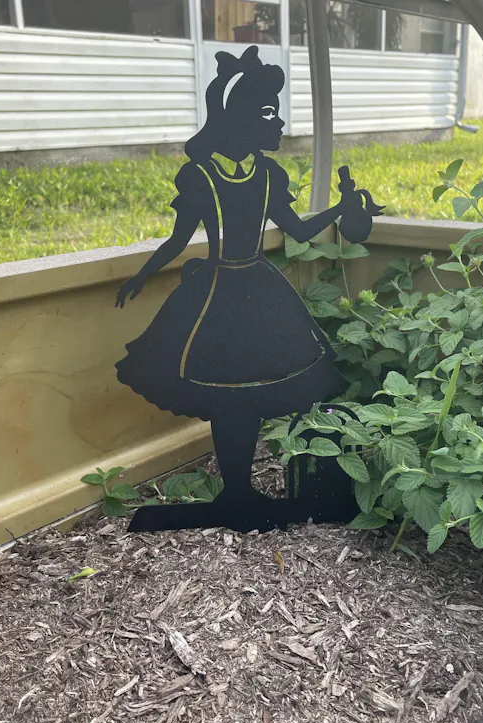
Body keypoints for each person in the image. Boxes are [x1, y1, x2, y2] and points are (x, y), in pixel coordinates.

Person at [115, 45, 378, 528]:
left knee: (255, 386)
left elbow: (299, 230)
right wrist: (143, 274)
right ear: (239, 118)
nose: (279, 122)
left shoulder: (269, 175)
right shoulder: (200, 176)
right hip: (216, 296)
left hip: (260, 292)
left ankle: (243, 494)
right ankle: (235, 494)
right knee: (223, 390)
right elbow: (178, 239)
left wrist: (342, 209)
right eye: (268, 113)